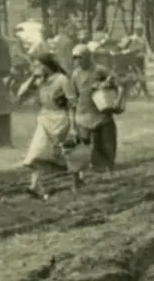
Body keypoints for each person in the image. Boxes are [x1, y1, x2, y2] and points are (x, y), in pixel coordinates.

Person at [16, 52, 75, 200]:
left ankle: (77, 179)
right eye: (34, 65)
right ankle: (35, 186)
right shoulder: (39, 81)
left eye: (38, 65)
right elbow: (20, 95)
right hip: (44, 119)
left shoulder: (62, 80)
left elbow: (73, 102)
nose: (35, 68)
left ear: (46, 66)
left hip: (60, 119)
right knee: (36, 154)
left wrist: (74, 125)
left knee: (62, 154)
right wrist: (32, 78)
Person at [69, 44, 120, 182]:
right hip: (83, 113)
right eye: (75, 58)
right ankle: (79, 176)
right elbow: (73, 97)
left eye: (80, 57)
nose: (77, 61)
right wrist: (73, 123)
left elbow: (115, 82)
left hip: (101, 112)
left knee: (107, 143)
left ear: (87, 56)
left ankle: (110, 170)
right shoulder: (75, 74)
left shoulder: (99, 70)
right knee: (82, 146)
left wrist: (105, 85)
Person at [119, 23, 153, 97]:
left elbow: (147, 47)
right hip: (134, 58)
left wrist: (150, 55)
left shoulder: (143, 38)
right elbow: (126, 48)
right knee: (141, 75)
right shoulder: (132, 38)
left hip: (141, 58)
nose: (140, 31)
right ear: (136, 30)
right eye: (138, 30)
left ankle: (145, 91)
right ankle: (146, 92)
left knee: (142, 74)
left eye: (141, 30)